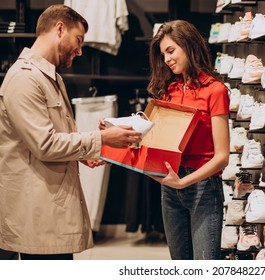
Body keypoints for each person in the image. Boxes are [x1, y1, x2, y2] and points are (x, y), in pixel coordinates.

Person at [0, 4, 141, 260]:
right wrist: (100, 139)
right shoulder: (24, 78)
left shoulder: (52, 78)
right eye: (78, 40)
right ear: (60, 28)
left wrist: (80, 154)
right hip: (36, 217)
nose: (79, 50)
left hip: (50, 212)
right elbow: (44, 144)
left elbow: (47, 137)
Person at [147, 20, 230, 260]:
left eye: (171, 51)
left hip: (202, 188)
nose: (167, 60)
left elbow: (222, 157)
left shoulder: (215, 90)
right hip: (170, 186)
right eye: (163, 54)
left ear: (189, 45)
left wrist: (184, 183)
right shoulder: (169, 90)